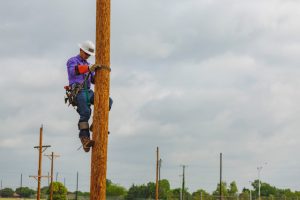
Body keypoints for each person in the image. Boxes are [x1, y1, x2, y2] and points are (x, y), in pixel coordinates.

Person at [66, 40, 113, 152]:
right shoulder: (72, 61)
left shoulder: (88, 65)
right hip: (78, 91)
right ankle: (85, 139)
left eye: (89, 55)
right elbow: (74, 71)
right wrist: (89, 68)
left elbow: (93, 80)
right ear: (81, 50)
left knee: (107, 101)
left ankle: (96, 124)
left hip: (88, 91)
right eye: (86, 53)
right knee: (85, 113)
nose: (87, 56)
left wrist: (102, 72)